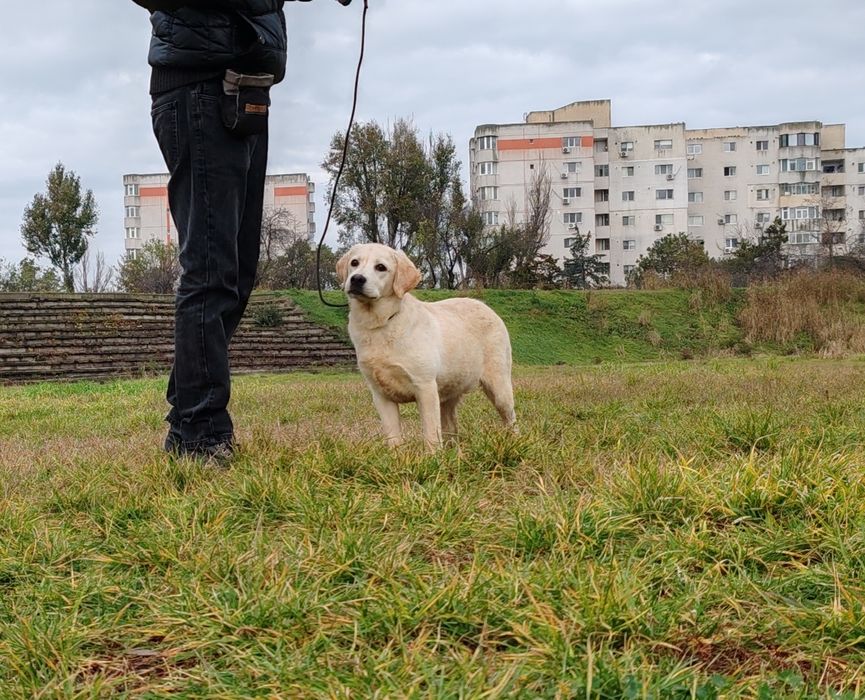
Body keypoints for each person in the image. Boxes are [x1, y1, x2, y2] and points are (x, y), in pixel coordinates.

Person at [131, 0, 292, 464]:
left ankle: (187, 422)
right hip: (197, 88)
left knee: (236, 274)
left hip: (244, 88)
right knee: (209, 270)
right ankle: (201, 434)